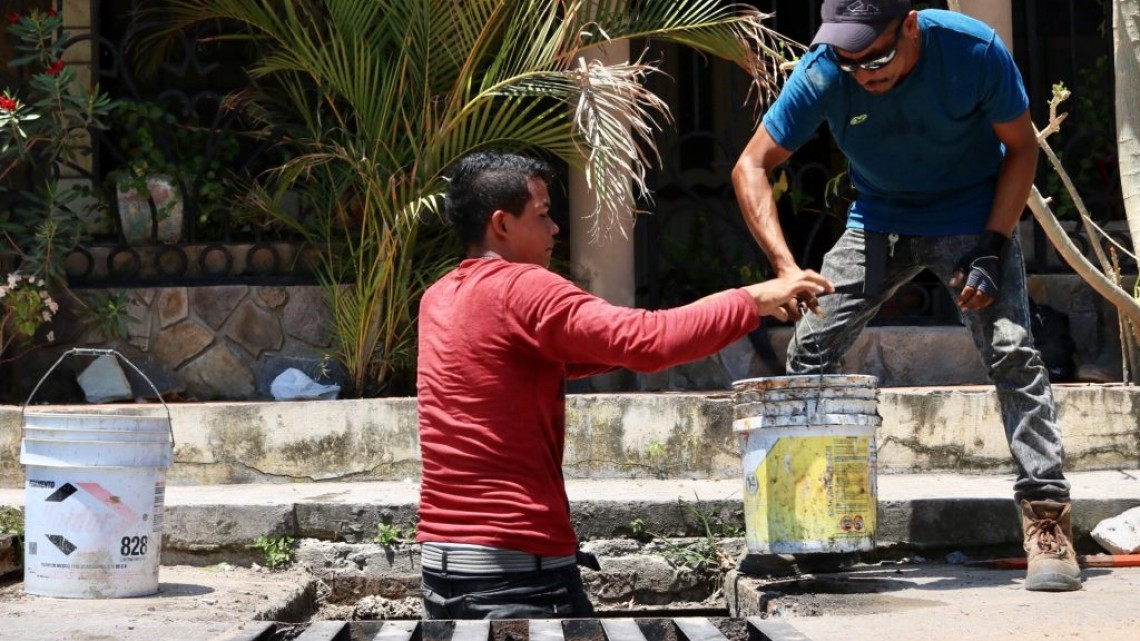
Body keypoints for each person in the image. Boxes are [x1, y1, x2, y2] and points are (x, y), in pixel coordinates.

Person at [731, 0, 1081, 592]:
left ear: (911, 23)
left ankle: (1047, 521)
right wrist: (787, 268)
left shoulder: (973, 51)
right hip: (877, 220)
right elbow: (751, 165)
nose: (864, 73)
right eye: (850, 61)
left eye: (879, 56)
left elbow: (1021, 149)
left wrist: (993, 247)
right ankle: (814, 528)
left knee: (1012, 350)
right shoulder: (824, 70)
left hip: (972, 217)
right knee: (810, 348)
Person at [416, 150, 834, 619]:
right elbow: (646, 341)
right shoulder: (524, 288)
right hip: (517, 575)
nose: (556, 228)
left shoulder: (440, 297)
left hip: (442, 570)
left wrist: (726, 316)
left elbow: (598, 351)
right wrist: (753, 299)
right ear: (502, 224)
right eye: (544, 214)